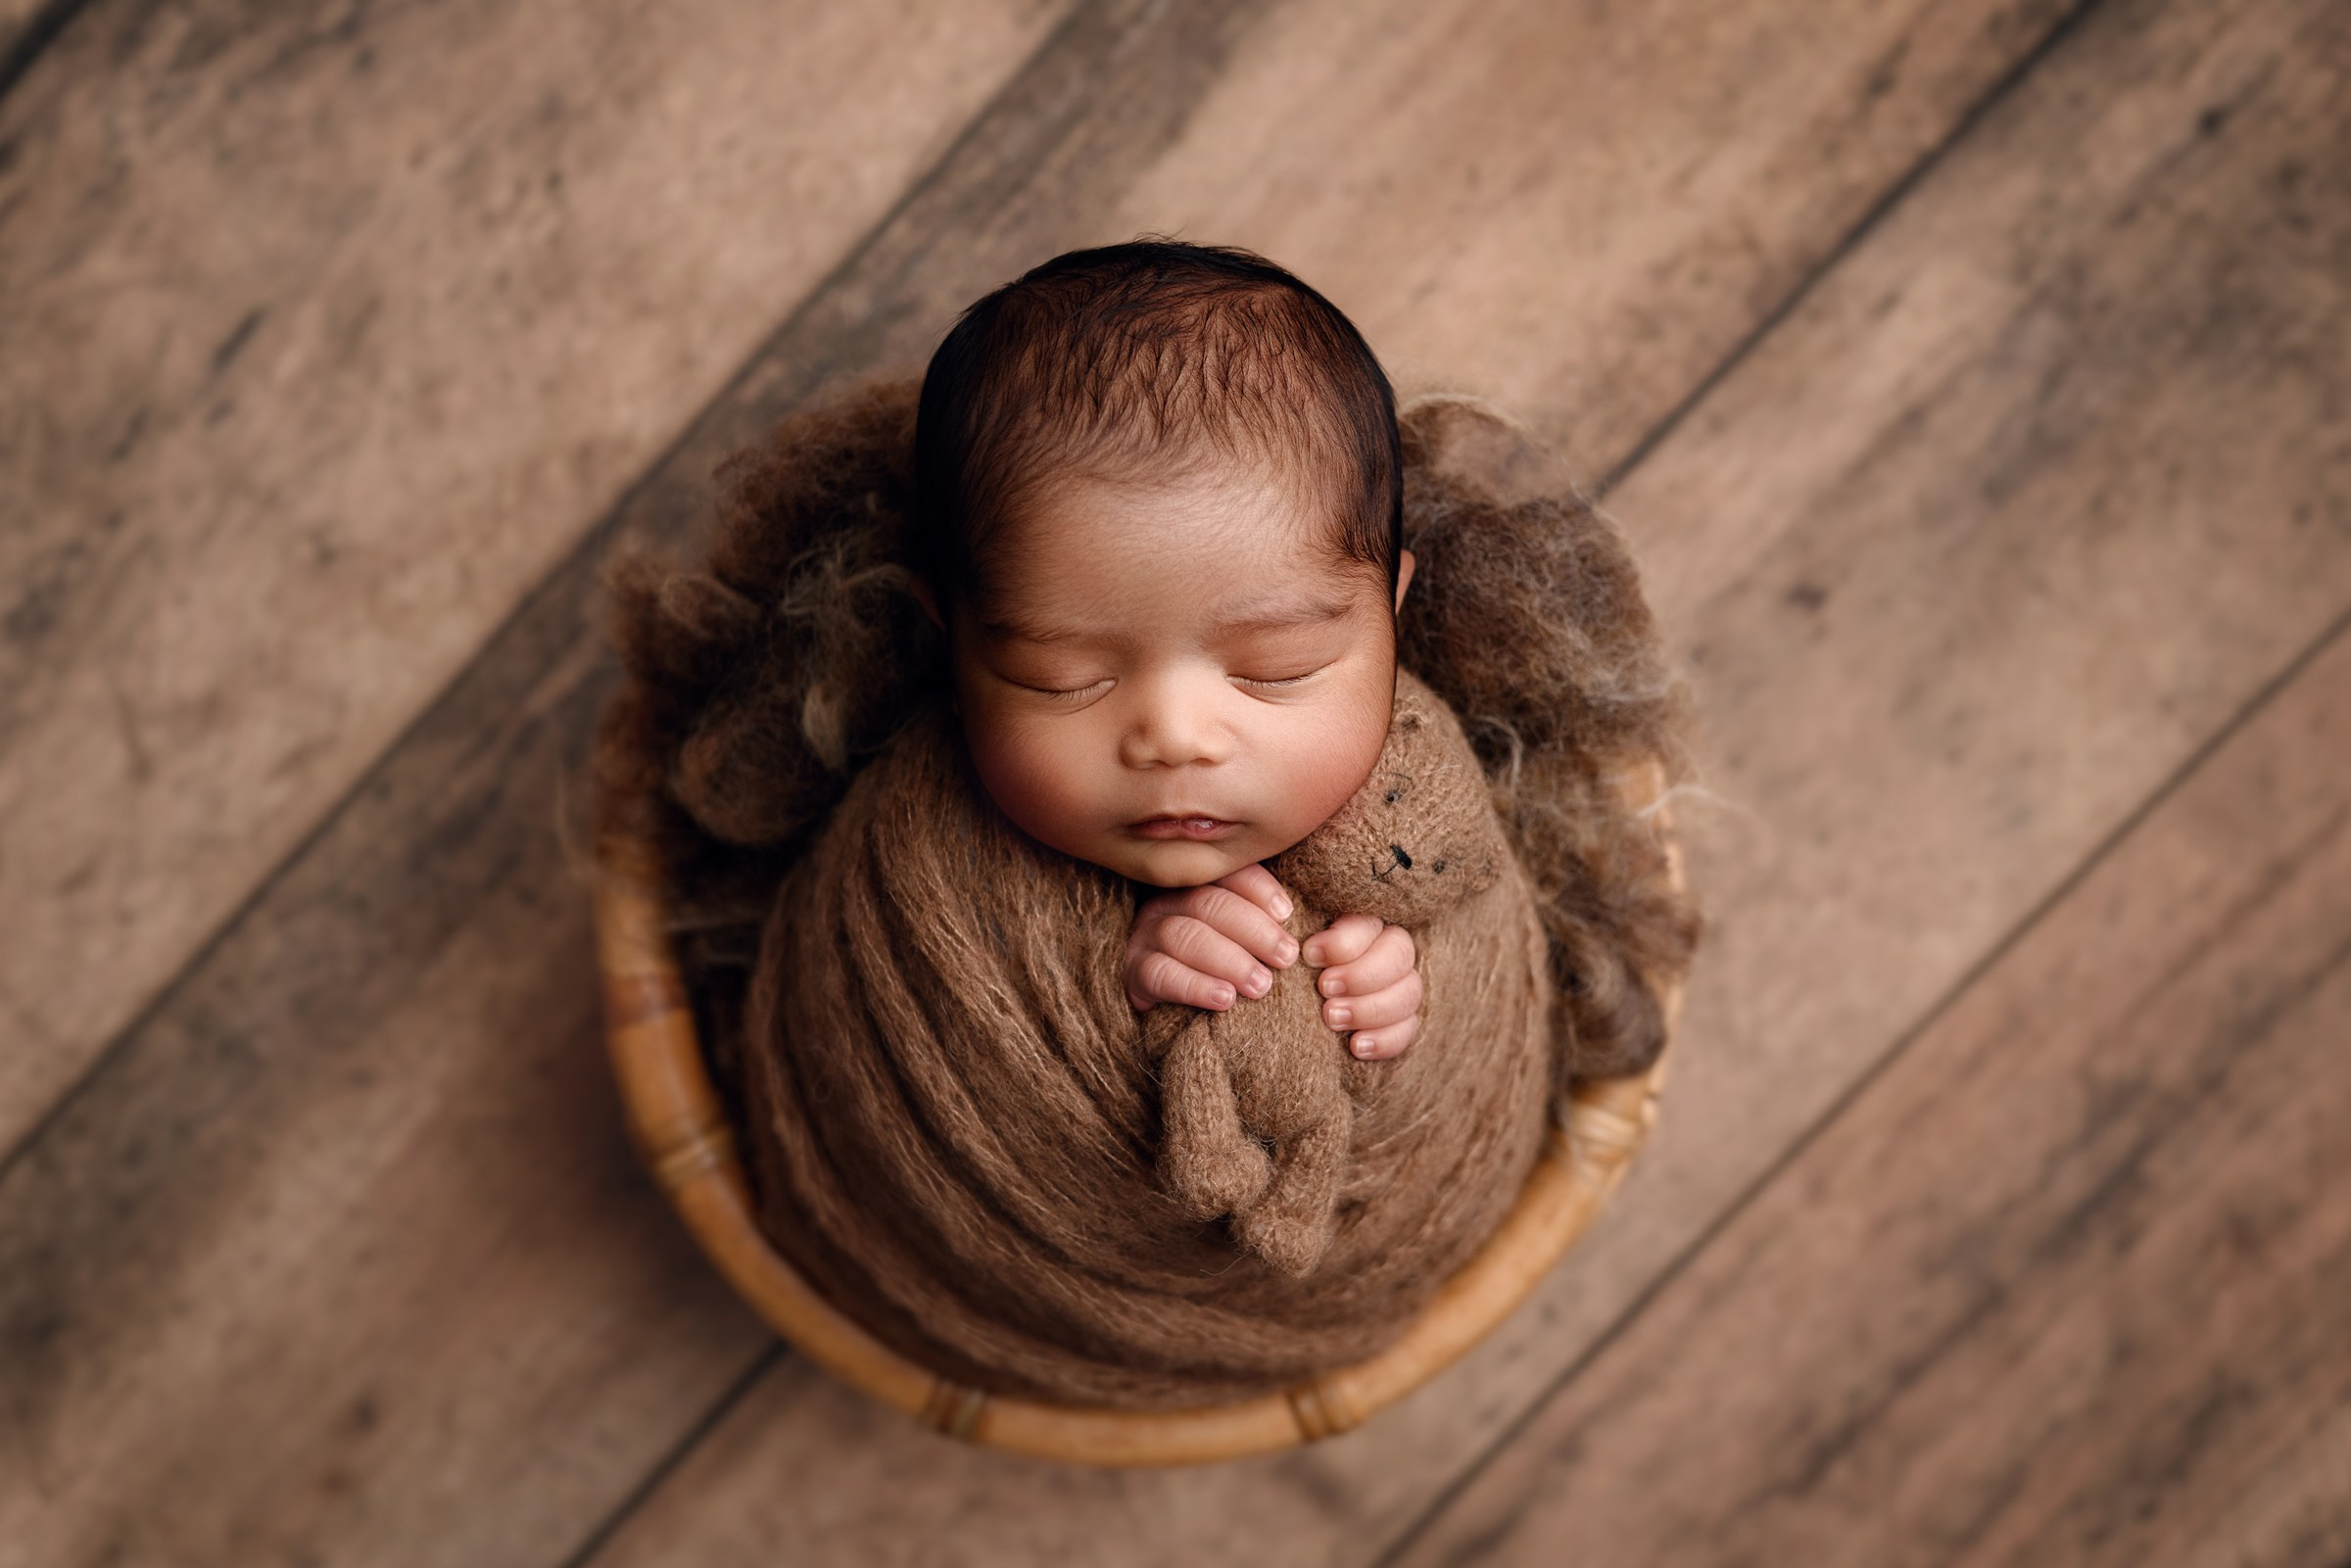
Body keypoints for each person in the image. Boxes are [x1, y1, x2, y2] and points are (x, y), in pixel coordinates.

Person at [902, 239, 1429, 1062]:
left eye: (1277, 668)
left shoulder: (1427, 793)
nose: (1177, 737)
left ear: (1391, 618)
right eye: (1062, 678)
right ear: (950, 638)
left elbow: (1497, 927)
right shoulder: (921, 844)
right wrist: (1103, 980)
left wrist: (1407, 981)